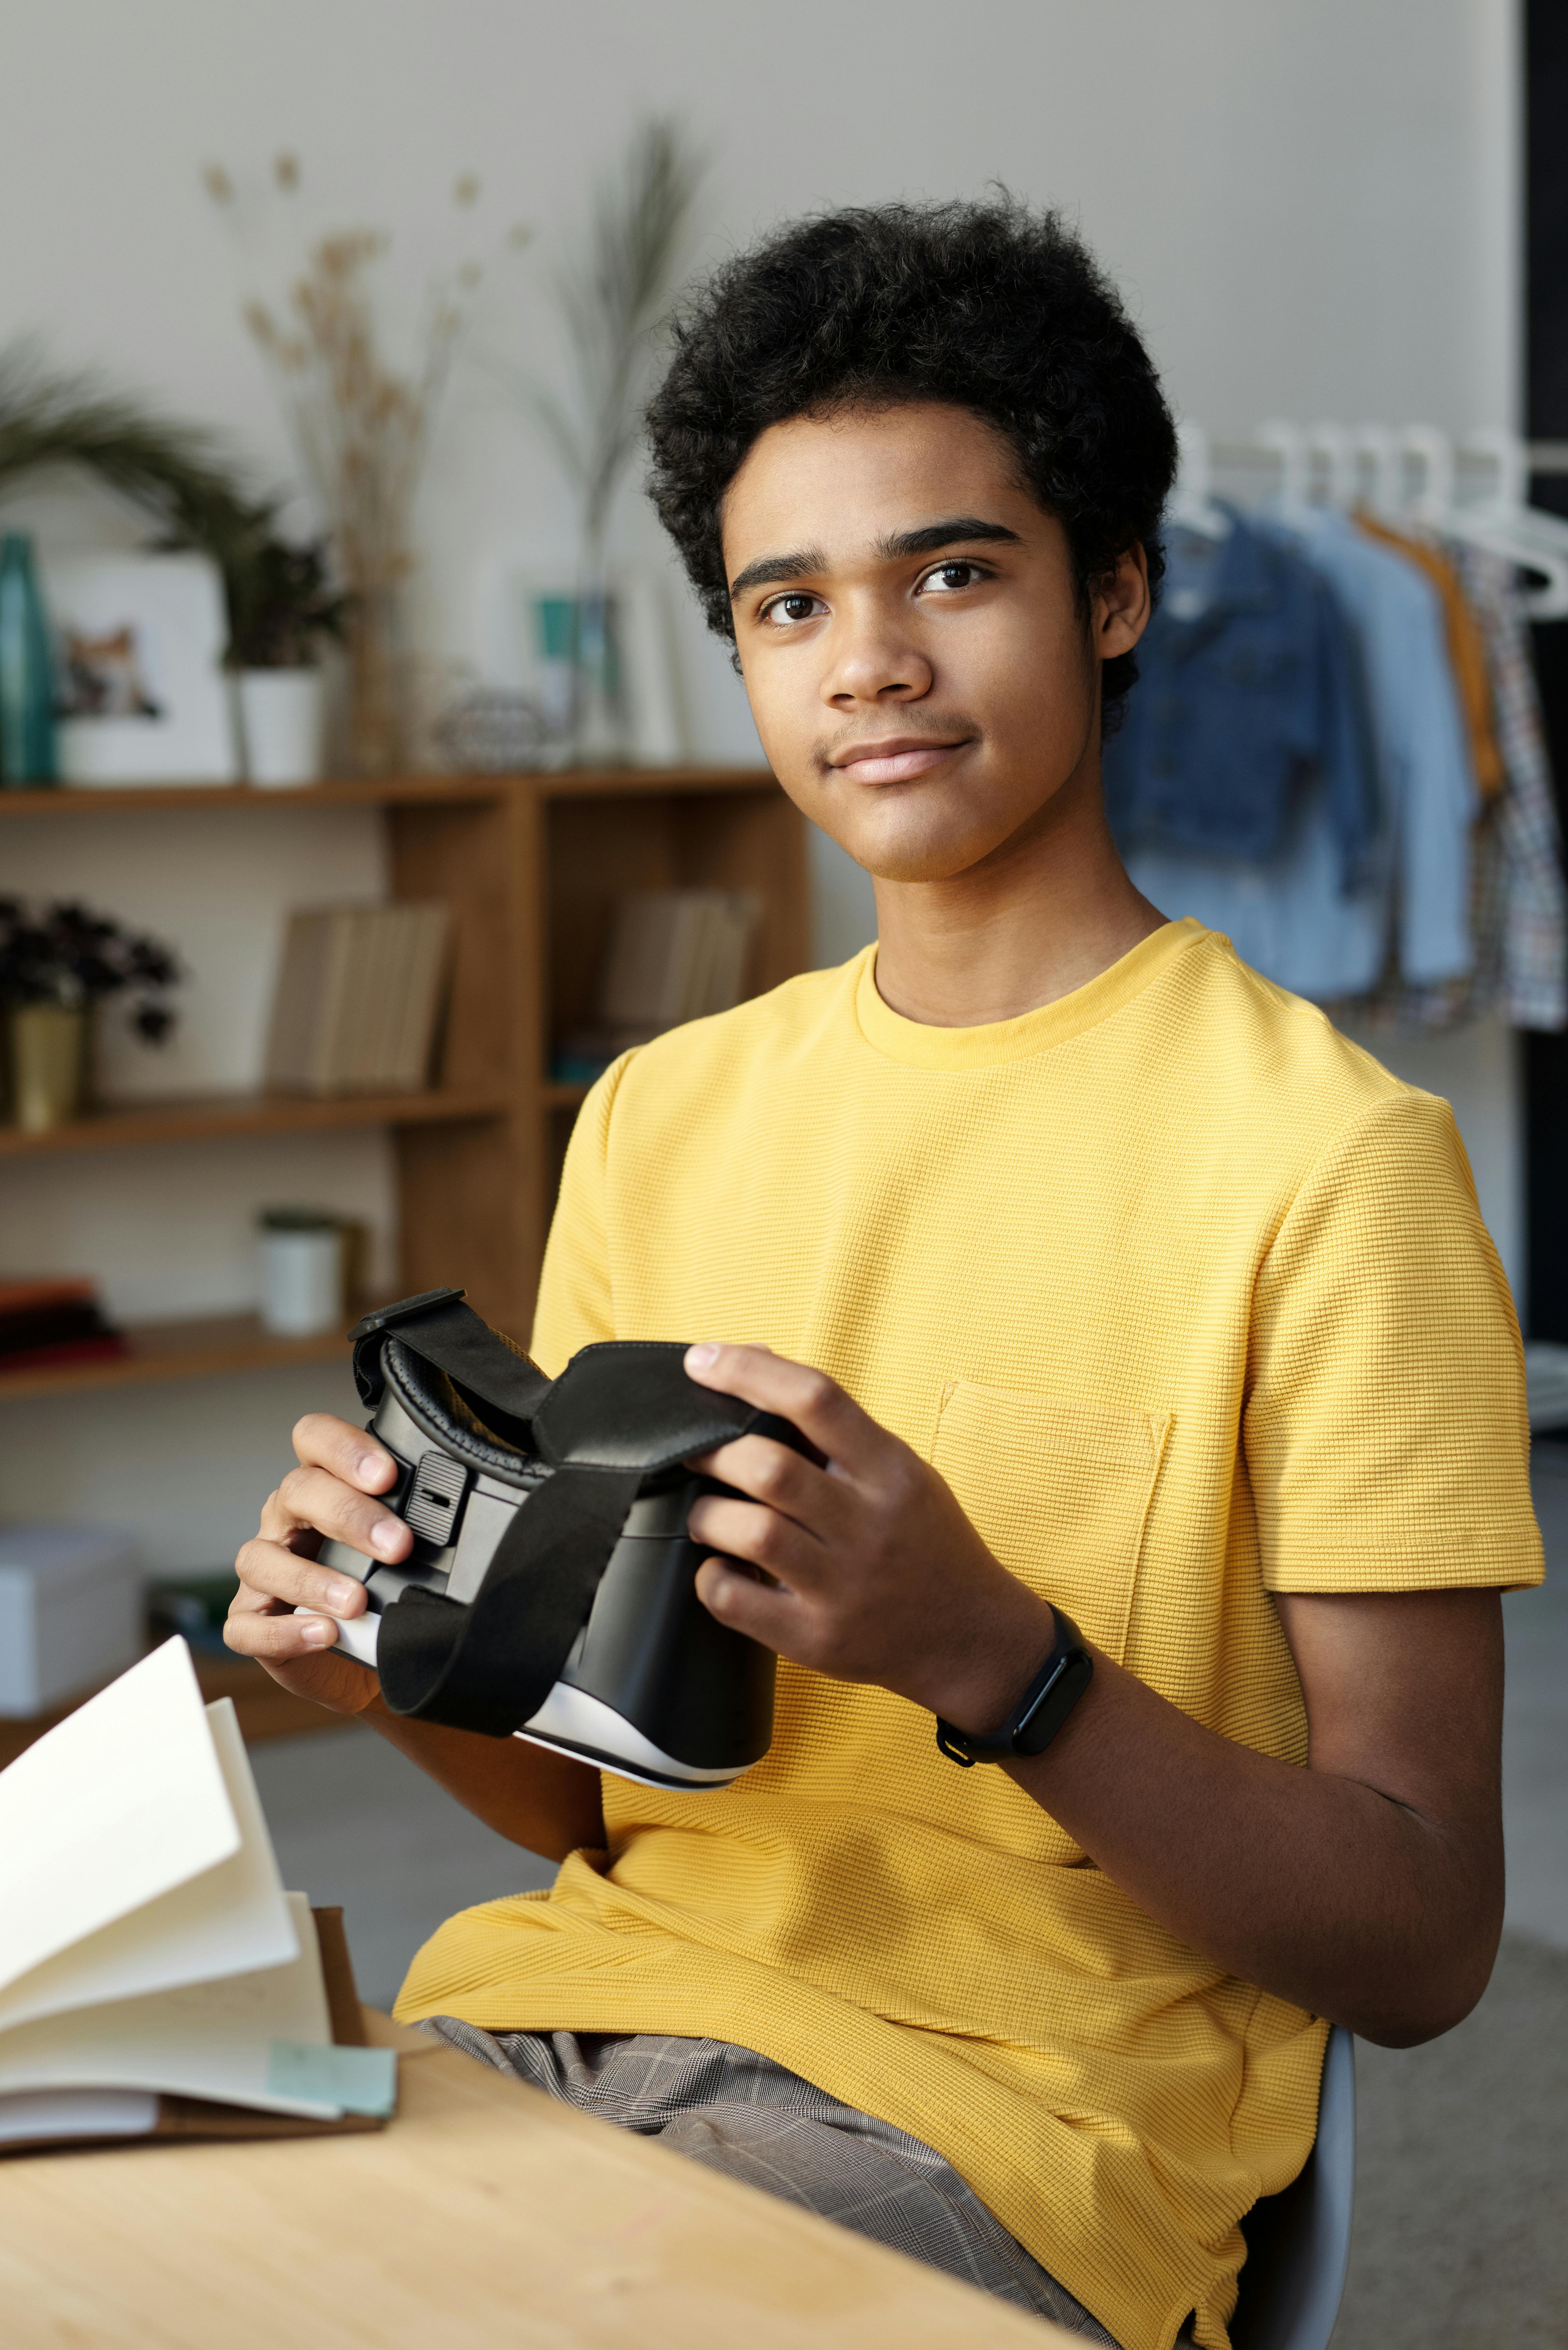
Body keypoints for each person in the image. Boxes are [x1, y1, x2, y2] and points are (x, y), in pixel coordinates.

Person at [227, 200, 1541, 2350]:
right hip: (563, 2021)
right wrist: (382, 1660)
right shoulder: (660, 1113)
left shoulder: (1334, 1166)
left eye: (953, 571)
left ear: (1113, 593)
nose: (871, 663)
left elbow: (1420, 1942)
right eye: (787, 601)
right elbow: (614, 1798)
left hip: (999, 2138)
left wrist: (992, 1664)